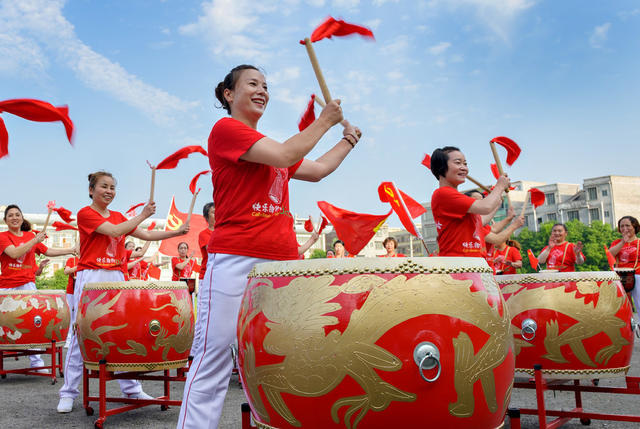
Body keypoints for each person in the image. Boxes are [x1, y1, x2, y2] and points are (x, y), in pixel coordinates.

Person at [177, 64, 360, 429]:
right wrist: (324, 121)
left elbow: (319, 168)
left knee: (290, 354)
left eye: (266, 85)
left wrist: (348, 140)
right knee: (214, 357)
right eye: (252, 84)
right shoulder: (226, 130)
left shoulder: (276, 149)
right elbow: (285, 155)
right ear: (229, 94)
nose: (262, 90)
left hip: (283, 265)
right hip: (235, 259)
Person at [57, 171, 189, 413]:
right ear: (91, 190)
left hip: (118, 278)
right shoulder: (86, 214)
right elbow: (116, 232)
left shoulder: (119, 216)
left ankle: (132, 389)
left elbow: (146, 234)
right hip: (93, 278)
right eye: (103, 186)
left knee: (122, 334)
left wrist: (176, 232)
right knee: (83, 336)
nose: (109, 191)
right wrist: (142, 215)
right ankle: (68, 393)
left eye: (112, 187)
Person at [0, 204, 77, 372]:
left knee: (33, 323)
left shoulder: (30, 235)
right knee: (4, 325)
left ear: (22, 218)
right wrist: (35, 239)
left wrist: (71, 250)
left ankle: (36, 363)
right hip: (8, 287)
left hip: (28, 285)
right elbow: (14, 253)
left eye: (17, 214)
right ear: (5, 220)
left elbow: (47, 250)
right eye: (10, 215)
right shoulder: (3, 236)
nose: (14, 217)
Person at [429, 147, 510, 258]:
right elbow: (486, 207)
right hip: (459, 263)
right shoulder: (443, 194)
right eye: (458, 163)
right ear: (441, 167)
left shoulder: (455, 197)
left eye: (465, 164)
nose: (464, 168)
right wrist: (500, 186)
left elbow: (480, 221)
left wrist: (497, 199)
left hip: (474, 262)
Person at [609, 216, 640, 309]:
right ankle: (629, 322)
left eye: (627, 225)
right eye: (622, 226)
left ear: (634, 227)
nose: (624, 228)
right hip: (620, 277)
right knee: (623, 305)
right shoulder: (617, 242)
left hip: (637, 275)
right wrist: (623, 242)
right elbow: (610, 254)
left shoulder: (638, 242)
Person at [198, 203, 215, 282]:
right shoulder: (204, 234)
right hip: (207, 275)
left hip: (220, 273)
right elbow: (212, 252)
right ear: (206, 217)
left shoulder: (224, 232)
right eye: (214, 212)